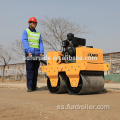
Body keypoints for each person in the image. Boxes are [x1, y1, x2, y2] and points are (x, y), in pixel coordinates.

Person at [22, 17, 44, 92]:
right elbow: (25, 41)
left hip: (37, 54)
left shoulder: (38, 34)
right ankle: (30, 87)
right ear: (29, 23)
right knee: (30, 70)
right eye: (33, 23)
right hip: (29, 54)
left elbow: (40, 43)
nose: (35, 24)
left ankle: (34, 86)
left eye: (35, 23)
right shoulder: (26, 31)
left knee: (35, 70)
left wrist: (41, 52)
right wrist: (28, 51)